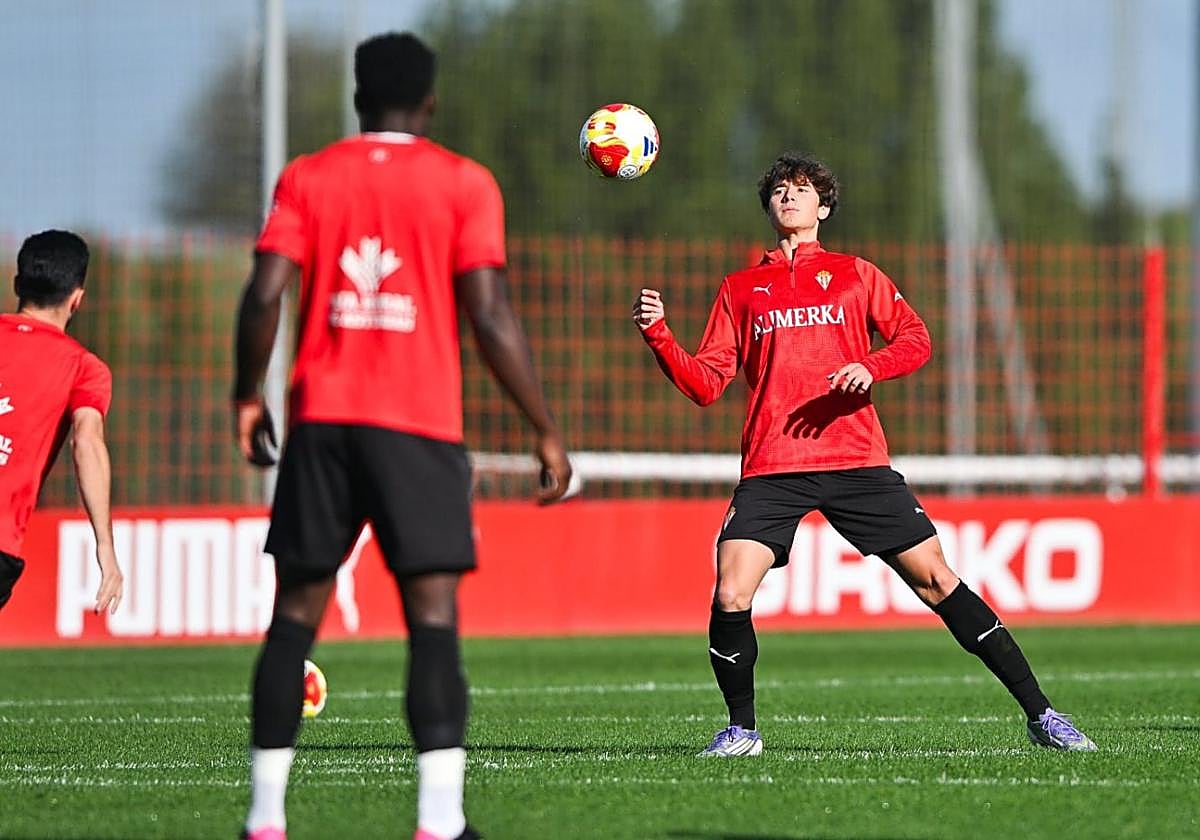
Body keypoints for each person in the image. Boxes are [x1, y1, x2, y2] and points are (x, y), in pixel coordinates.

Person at [632, 153, 1095, 757]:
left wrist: (870, 366)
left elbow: (916, 338)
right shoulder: (741, 288)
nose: (788, 197)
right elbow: (706, 384)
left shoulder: (855, 274)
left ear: (823, 208)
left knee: (937, 582)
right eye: (778, 190)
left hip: (856, 460)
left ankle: (1042, 714)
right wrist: (660, 334)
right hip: (774, 466)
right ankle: (742, 731)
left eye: (801, 190)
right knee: (730, 593)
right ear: (768, 207)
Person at [233, 32, 573, 840]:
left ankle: (264, 822)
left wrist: (247, 395)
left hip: (322, 421)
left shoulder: (309, 175)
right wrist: (544, 428)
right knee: (432, 620)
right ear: (430, 102)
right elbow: (489, 313)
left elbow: (264, 290)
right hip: (417, 426)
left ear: (357, 99)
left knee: (293, 620)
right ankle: (439, 824)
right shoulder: (464, 183)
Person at [0, 230, 122, 618]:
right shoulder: (83, 368)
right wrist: (105, 545)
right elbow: (86, 443)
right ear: (77, 299)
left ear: (18, 284)